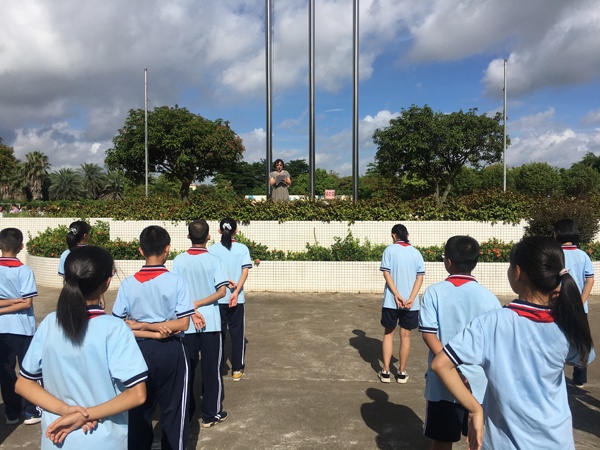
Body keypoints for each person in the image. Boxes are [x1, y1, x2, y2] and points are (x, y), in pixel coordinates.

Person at [432, 236, 594, 450]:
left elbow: (440, 364)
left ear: (517, 272)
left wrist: (474, 409)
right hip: (557, 441)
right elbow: (583, 358)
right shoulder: (565, 324)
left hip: (502, 442)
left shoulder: (491, 323)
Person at [15, 246, 148, 449]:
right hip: (102, 440)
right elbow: (137, 394)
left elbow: (24, 384)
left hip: (56, 438)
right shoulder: (115, 329)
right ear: (107, 282)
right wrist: (84, 415)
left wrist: (67, 411)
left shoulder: (50, 323)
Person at [112, 225, 194, 450]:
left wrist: (143, 326)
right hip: (171, 349)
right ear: (167, 249)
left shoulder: (128, 284)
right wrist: (157, 331)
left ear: (141, 250)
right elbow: (183, 323)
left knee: (138, 412)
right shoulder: (177, 281)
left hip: (136, 350)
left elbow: (119, 325)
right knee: (174, 412)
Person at [419, 236, 501, 449]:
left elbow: (429, 335)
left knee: (441, 440)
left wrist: (451, 369)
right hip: (479, 386)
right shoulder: (489, 298)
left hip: (442, 383)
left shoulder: (433, 293)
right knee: (478, 440)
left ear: (448, 262)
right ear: (475, 262)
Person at [172, 219, 229, 428]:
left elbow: (175, 292)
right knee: (212, 368)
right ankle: (211, 413)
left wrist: (191, 308)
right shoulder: (215, 261)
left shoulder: (179, 261)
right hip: (211, 323)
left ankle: (187, 412)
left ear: (188, 236)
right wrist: (198, 304)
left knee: (186, 369)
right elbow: (221, 292)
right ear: (208, 237)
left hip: (185, 322)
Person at [0, 227, 41, 425]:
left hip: (2, 329)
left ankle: (12, 412)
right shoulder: (24, 271)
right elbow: (26, 303)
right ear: (21, 246)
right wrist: (15, 302)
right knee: (29, 369)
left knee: (6, 371)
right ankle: (32, 411)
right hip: (23, 328)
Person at [378, 224, 425, 383]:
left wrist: (396, 295)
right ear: (407, 235)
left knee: (388, 334)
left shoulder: (389, 250)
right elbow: (420, 277)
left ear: (393, 235)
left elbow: (386, 273)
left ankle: (385, 371)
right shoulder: (416, 253)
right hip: (411, 304)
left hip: (391, 301)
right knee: (406, 336)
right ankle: (402, 372)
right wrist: (411, 298)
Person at [209, 218, 252, 381]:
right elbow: (245, 272)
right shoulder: (242, 249)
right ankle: (237, 369)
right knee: (237, 334)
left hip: (218, 299)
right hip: (237, 299)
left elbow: (211, 274)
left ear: (219, 231)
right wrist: (236, 291)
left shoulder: (212, 249)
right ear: (236, 231)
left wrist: (224, 283)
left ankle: (218, 368)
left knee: (218, 334)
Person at [554, 218, 594, 388]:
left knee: (557, 340)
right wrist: (580, 302)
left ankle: (556, 375)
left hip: (558, 306)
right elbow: (589, 281)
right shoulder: (583, 255)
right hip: (580, 308)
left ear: (558, 233)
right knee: (581, 341)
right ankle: (579, 379)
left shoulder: (555, 254)